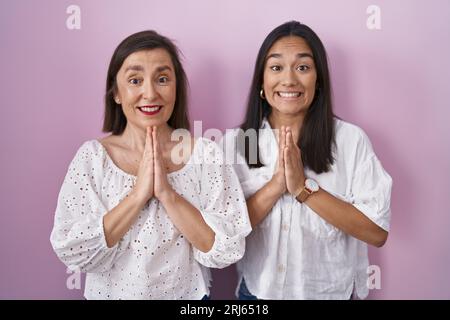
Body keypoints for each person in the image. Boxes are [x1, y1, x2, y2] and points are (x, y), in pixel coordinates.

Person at [50, 30, 251, 300]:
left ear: (176, 88)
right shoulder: (93, 158)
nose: (150, 92)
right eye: (135, 80)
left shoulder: (206, 154)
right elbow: (73, 249)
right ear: (116, 93)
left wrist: (167, 194)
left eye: (163, 79)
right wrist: (137, 196)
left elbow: (226, 248)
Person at [221, 21, 392, 299]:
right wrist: (276, 186)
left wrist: (304, 189)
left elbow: (376, 232)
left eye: (303, 67)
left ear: (319, 80)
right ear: (261, 82)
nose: (289, 80)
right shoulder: (236, 144)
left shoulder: (350, 141)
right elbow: (223, 233)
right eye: (276, 67)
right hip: (257, 294)